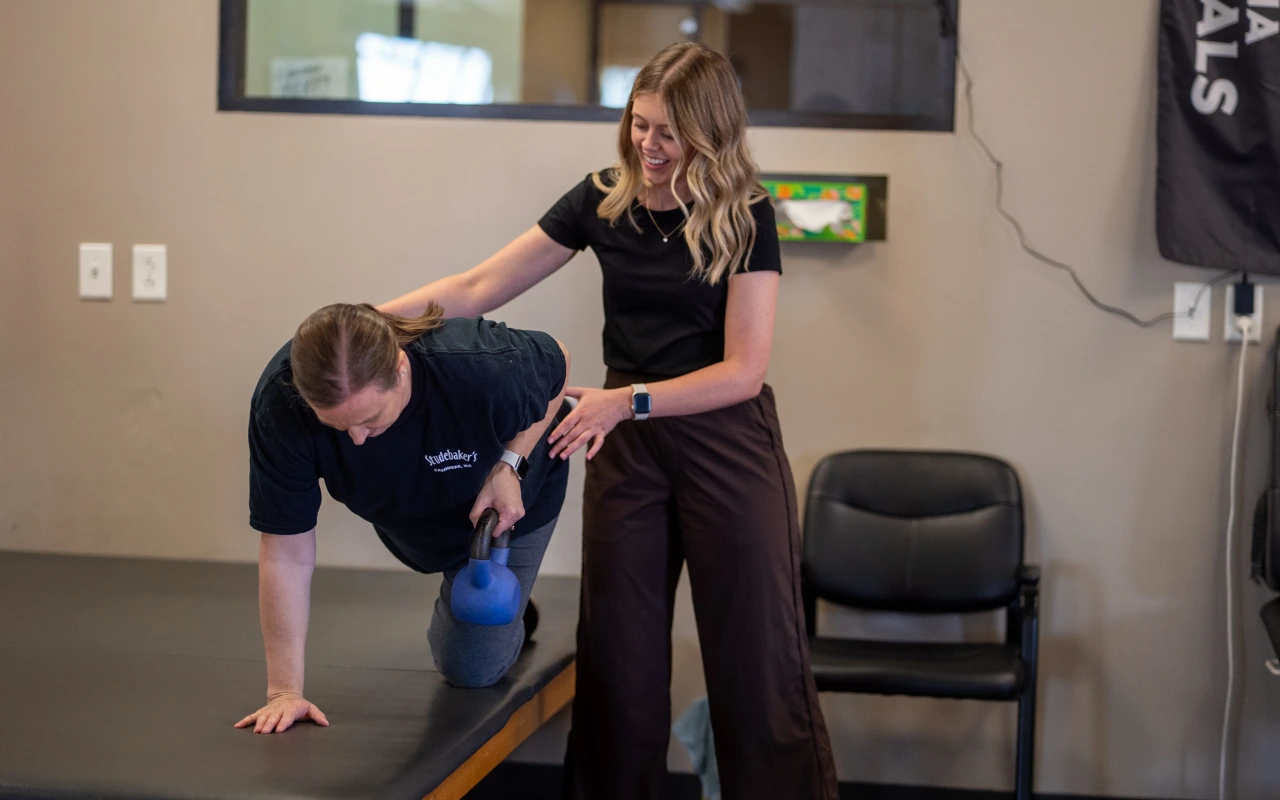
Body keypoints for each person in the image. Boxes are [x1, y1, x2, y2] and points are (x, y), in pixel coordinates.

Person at [380, 42, 838, 799]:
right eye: (639, 123)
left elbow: (743, 370)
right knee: (620, 661)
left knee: (756, 661)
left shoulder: (746, 213)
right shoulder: (601, 199)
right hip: (626, 442)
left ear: (710, 132)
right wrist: (365, 319)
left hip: (723, 438)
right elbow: (480, 284)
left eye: (668, 132)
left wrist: (626, 401)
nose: (648, 146)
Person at [235, 302, 570, 735]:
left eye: (369, 419)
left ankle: (509, 605)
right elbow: (286, 553)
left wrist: (511, 464)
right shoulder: (280, 405)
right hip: (416, 517)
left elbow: (558, 361)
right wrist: (283, 691)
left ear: (399, 367)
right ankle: (490, 598)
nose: (356, 439)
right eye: (336, 425)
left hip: (507, 510)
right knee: (443, 569)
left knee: (471, 669)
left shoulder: (479, 363)